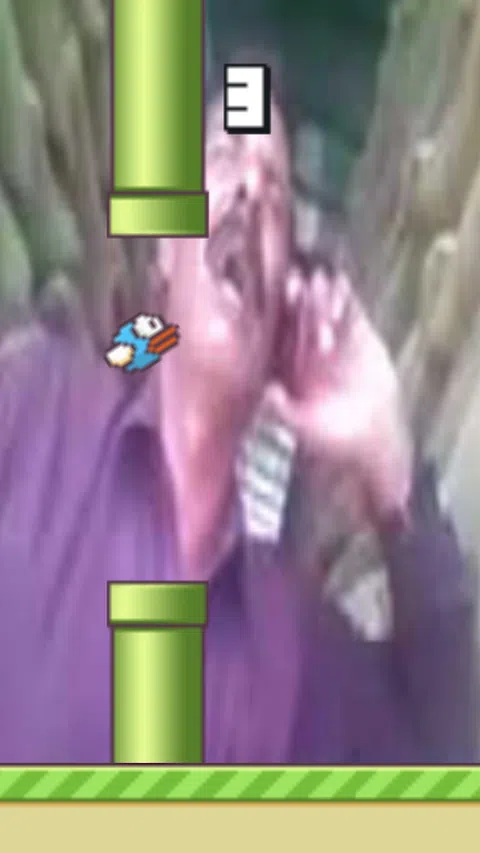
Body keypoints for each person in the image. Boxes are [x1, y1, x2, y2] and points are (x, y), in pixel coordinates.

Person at [0, 83, 477, 765]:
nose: (252, 191)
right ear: (165, 247)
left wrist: (388, 459)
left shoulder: (294, 656)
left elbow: (447, 765)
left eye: (277, 196)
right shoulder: (34, 412)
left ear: (284, 318)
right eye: (225, 157)